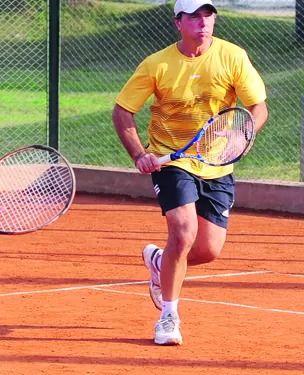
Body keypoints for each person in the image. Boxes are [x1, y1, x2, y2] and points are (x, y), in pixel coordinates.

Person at [112, 0, 268, 346]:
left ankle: (159, 262)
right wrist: (139, 154)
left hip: (217, 163)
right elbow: (122, 111)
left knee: (208, 250)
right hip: (172, 162)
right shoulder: (157, 64)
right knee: (183, 234)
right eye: (194, 16)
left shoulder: (233, 56)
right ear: (178, 23)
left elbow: (258, 108)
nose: (202, 22)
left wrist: (243, 134)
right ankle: (168, 317)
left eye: (208, 15)